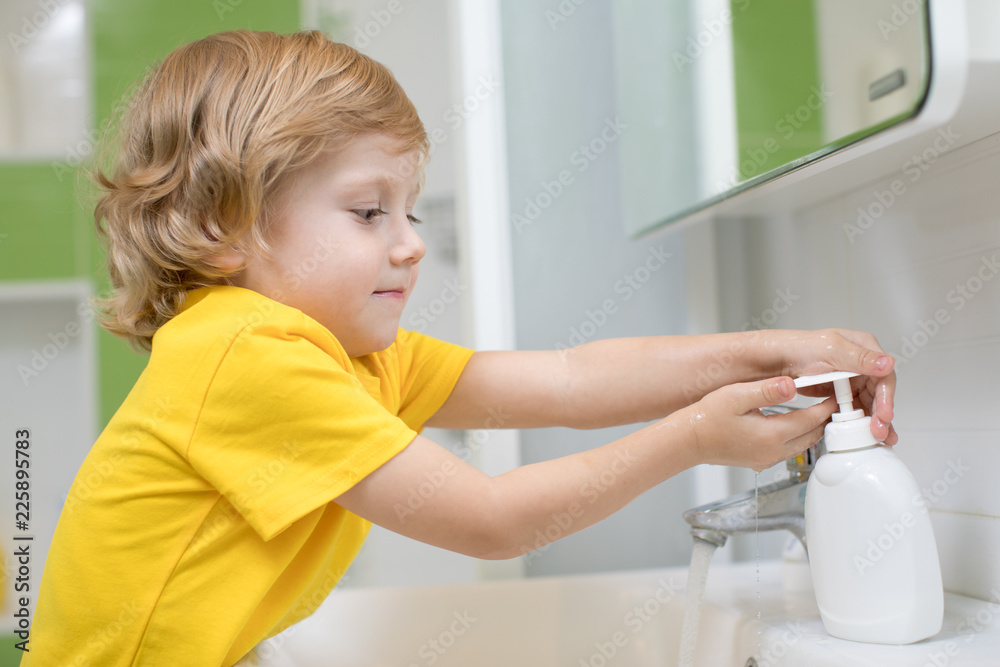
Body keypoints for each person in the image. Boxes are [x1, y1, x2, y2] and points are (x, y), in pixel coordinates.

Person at [25, 30, 897, 666]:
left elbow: (565, 381)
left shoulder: (349, 353)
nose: (409, 243)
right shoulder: (244, 353)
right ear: (224, 229)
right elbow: (492, 520)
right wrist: (695, 438)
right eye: (369, 211)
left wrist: (770, 350)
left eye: (412, 209)